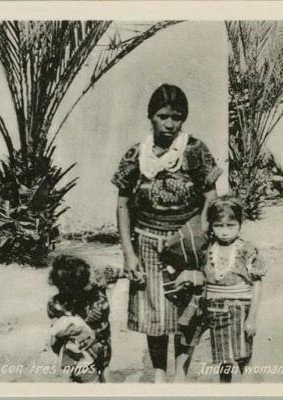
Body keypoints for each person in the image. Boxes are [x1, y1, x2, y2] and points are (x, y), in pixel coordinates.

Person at [111, 83, 222, 382]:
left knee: (189, 309)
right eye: (163, 116)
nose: (170, 124)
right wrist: (129, 254)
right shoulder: (136, 155)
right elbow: (123, 206)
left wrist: (200, 241)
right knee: (154, 314)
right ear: (151, 117)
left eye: (176, 116)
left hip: (186, 243)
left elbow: (211, 199)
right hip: (147, 241)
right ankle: (160, 372)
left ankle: (181, 373)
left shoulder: (196, 150)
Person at [203, 195, 266, 383]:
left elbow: (257, 283)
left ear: (240, 224)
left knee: (243, 357)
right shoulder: (207, 249)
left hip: (240, 309)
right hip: (215, 310)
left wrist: (252, 318)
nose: (224, 232)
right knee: (224, 359)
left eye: (230, 226)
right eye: (218, 225)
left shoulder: (246, 250)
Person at [47, 255, 123, 383]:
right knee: (95, 373)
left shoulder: (56, 302)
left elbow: (118, 271)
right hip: (82, 347)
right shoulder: (58, 303)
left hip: (96, 345)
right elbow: (56, 331)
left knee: (98, 371)